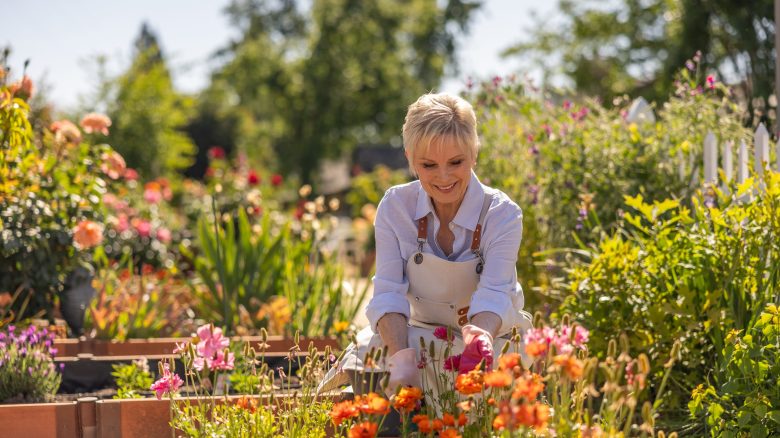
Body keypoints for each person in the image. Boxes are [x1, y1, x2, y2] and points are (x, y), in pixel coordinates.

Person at [318, 92, 531, 402]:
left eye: (456, 162)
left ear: (474, 153)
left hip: (491, 337)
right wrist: (401, 357)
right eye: (429, 164)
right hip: (422, 337)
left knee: (506, 369)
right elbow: (388, 292)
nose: (443, 177)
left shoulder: (501, 213)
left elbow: (495, 293)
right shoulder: (395, 207)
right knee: (370, 359)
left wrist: (478, 338)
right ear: (409, 158)